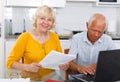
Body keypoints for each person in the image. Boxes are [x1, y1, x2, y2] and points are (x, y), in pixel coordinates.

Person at [6, 5, 69, 81]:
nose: (46, 22)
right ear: (36, 20)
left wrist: (64, 65)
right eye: (42, 18)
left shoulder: (54, 37)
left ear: (52, 23)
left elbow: (59, 60)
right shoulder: (24, 37)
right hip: (30, 79)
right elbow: (10, 63)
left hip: (51, 78)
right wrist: (27, 67)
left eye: (49, 20)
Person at [68, 13, 116, 78]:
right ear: (87, 25)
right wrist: (80, 68)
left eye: (100, 32)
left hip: (99, 77)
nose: (96, 34)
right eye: (94, 30)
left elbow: (114, 60)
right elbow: (69, 62)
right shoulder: (76, 38)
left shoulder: (107, 40)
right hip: (79, 77)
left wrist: (99, 65)